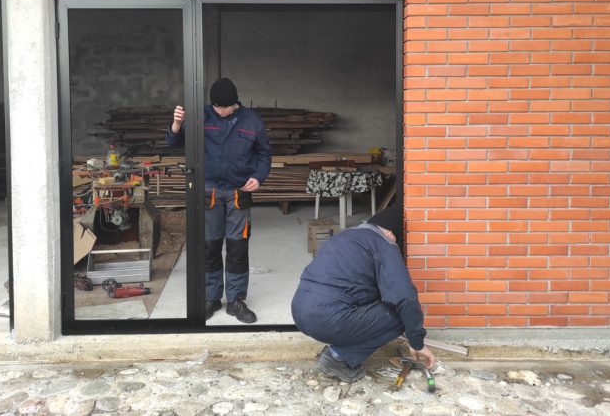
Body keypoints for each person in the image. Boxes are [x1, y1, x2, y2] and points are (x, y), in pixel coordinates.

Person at [167, 78, 271, 324]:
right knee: (209, 247)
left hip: (238, 193)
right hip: (210, 192)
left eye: (224, 107)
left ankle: (236, 299)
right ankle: (211, 297)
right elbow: (174, 142)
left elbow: (265, 154)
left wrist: (258, 177)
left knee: (237, 248)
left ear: (235, 103)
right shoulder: (201, 116)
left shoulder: (252, 120)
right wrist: (177, 123)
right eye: (216, 107)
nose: (219, 111)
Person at [291, 206, 436, 382]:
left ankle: (338, 348)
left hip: (299, 312)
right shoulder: (384, 244)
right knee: (400, 315)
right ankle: (337, 358)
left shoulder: (343, 237)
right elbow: (405, 298)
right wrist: (416, 341)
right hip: (327, 319)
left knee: (370, 305)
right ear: (390, 233)